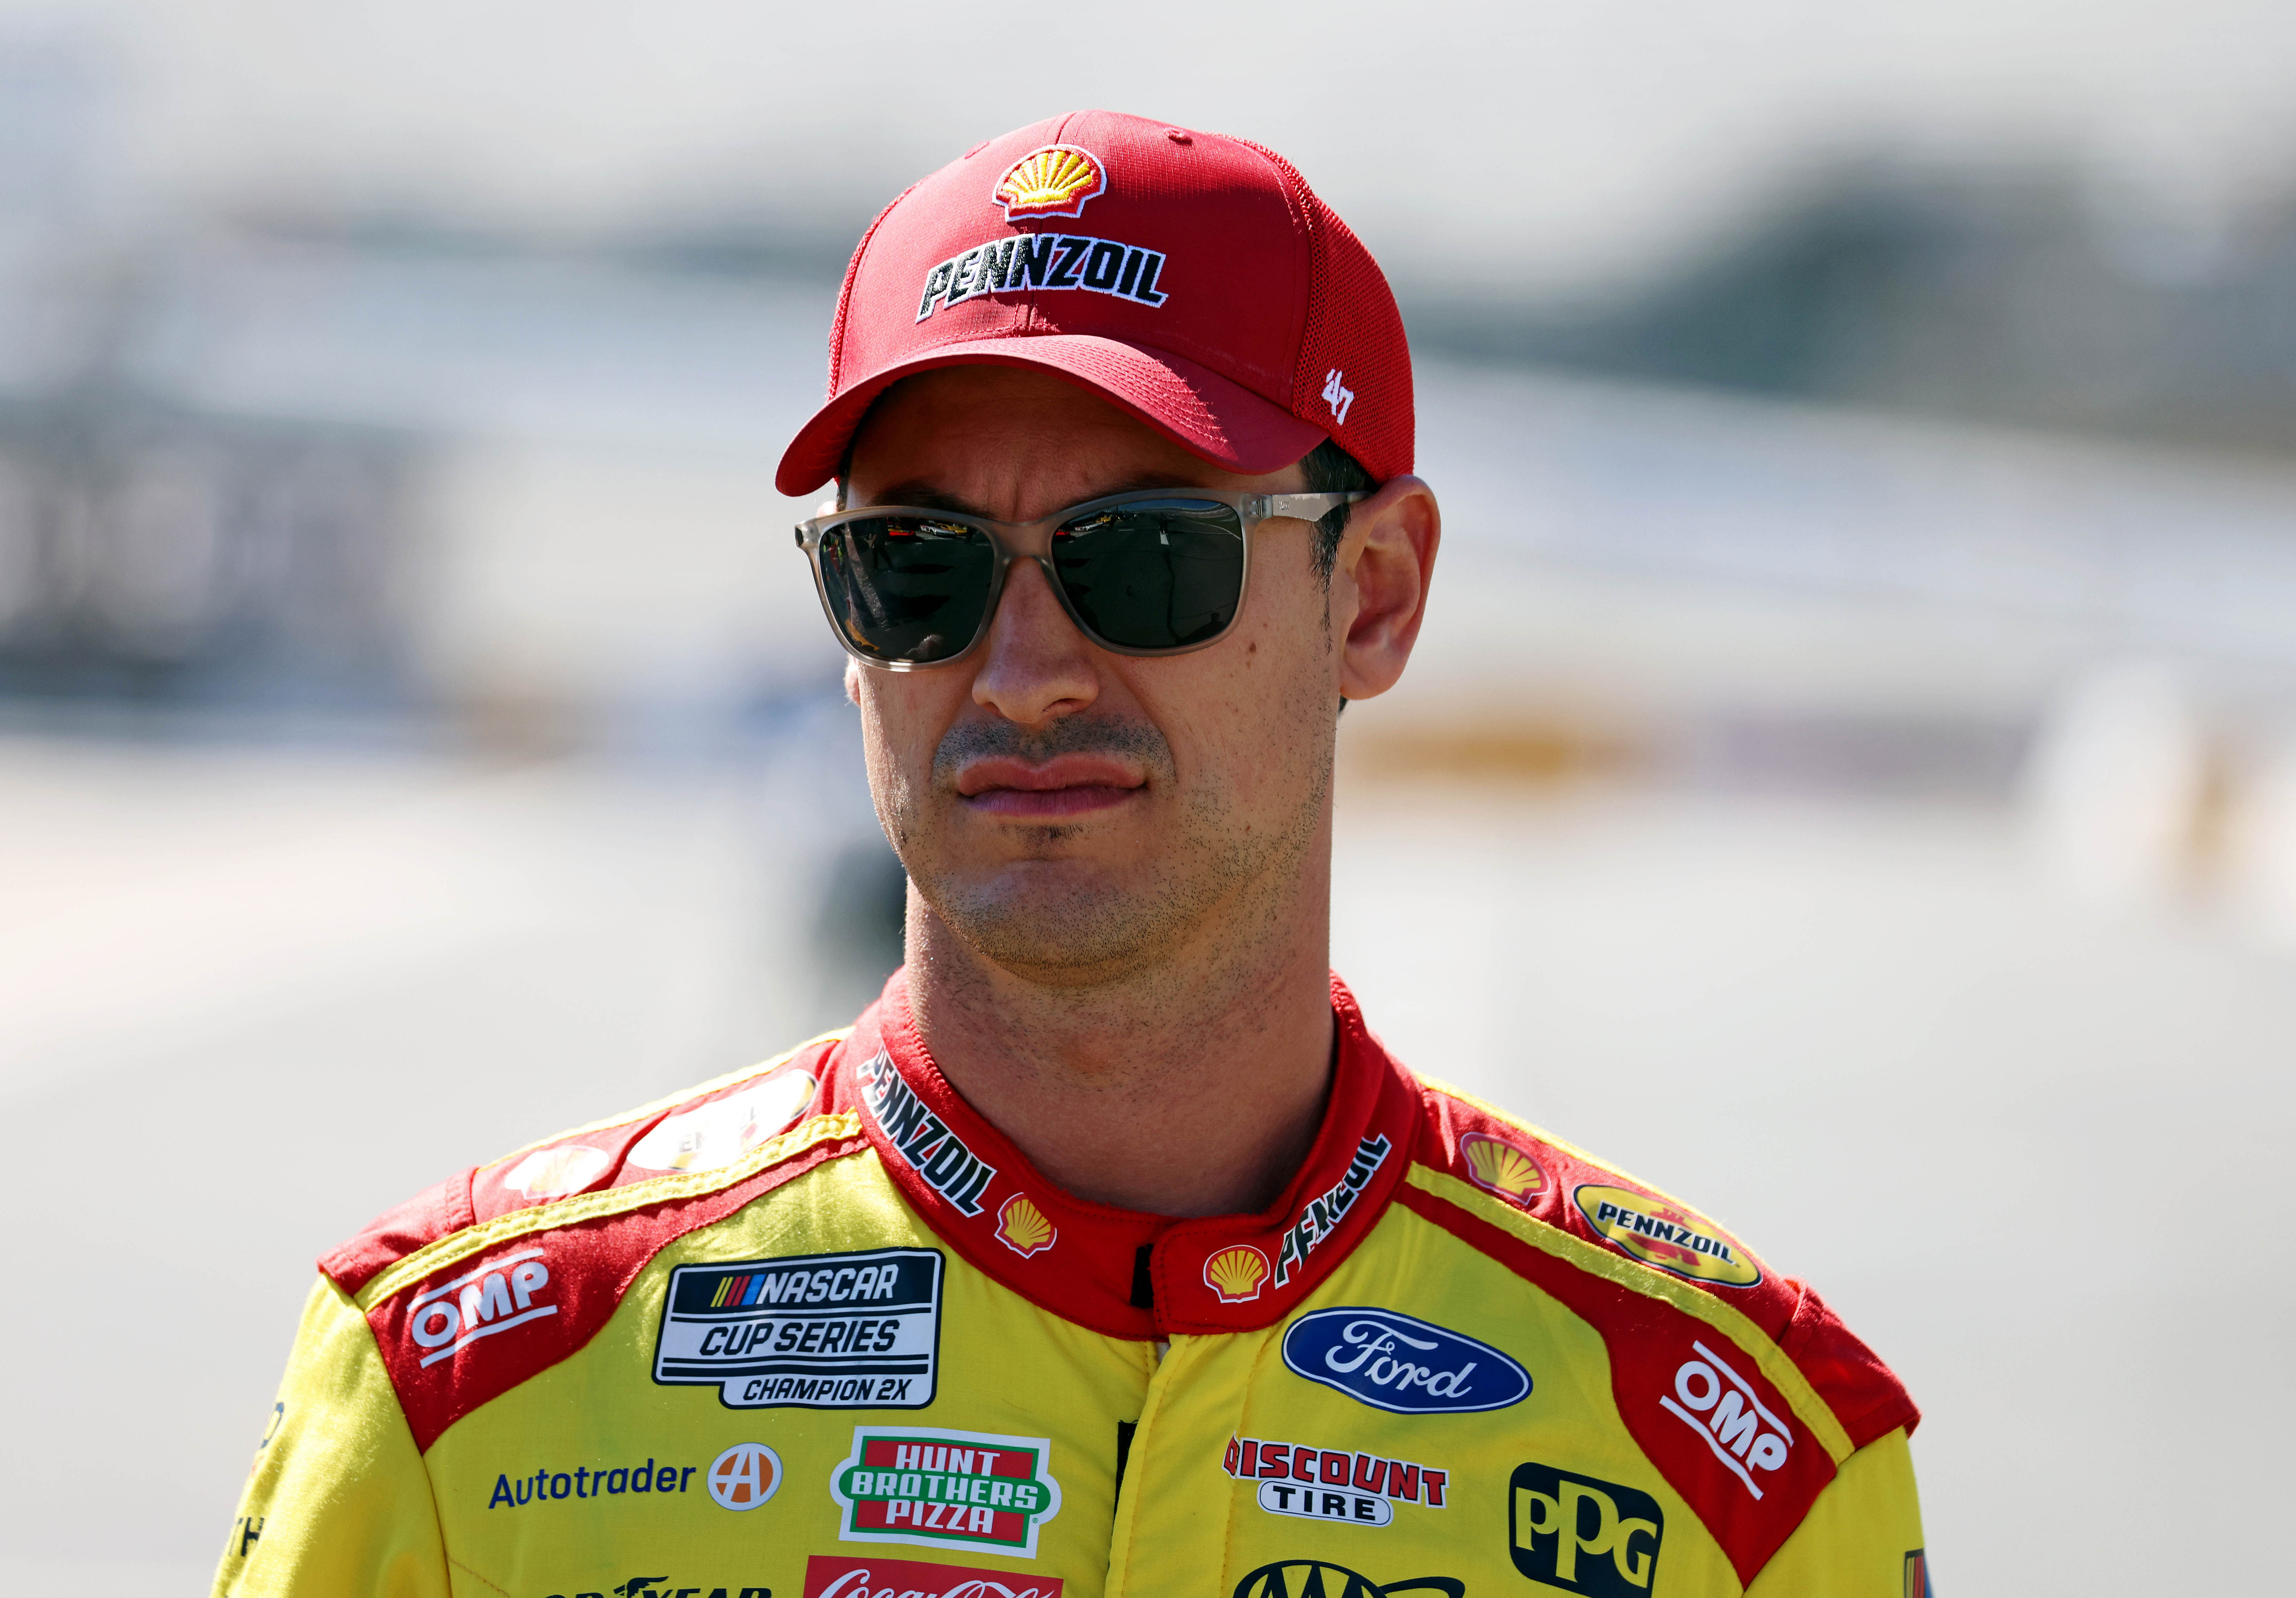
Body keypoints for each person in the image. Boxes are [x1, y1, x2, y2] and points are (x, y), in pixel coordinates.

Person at [216, 110, 1925, 1598]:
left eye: (1144, 556)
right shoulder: (456, 1387)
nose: (1023, 672)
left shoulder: (1747, 1468)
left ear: (1379, 595)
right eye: (920, 565)